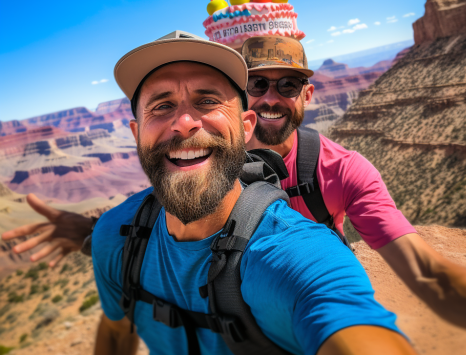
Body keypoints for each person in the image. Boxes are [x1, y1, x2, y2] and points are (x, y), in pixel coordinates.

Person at [2, 34, 466, 342]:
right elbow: (158, 217)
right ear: (242, 104)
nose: (270, 99)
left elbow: (425, 274)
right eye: (257, 85)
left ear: (307, 94)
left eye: (287, 85)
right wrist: (93, 232)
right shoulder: (202, 155)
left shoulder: (344, 171)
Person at [90, 30, 415, 354]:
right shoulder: (115, 234)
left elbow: (341, 312)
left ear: (246, 127)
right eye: (161, 106)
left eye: (207, 101)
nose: (184, 122)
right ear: (136, 133)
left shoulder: (294, 252)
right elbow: (117, 332)